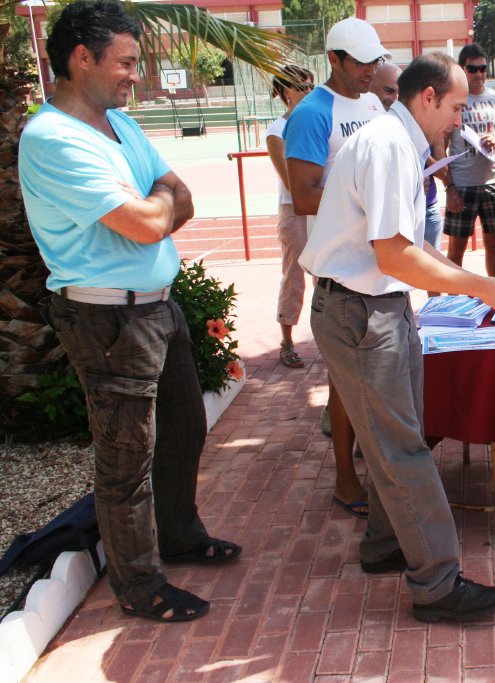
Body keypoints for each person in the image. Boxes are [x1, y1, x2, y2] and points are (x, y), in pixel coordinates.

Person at [19, 0, 240, 623]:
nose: (135, 75)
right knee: (126, 460)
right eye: (126, 62)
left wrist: (156, 205)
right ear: (80, 57)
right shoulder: (53, 137)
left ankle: (179, 534)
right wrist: (156, 204)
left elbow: (180, 199)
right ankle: (141, 587)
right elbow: (148, 222)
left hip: (156, 310)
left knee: (185, 428)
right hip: (107, 322)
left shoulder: (121, 126)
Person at [298, 53, 495, 621]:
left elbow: (410, 246)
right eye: (455, 108)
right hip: (360, 312)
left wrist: (475, 283)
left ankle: (385, 545)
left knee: (402, 436)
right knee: (402, 446)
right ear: (427, 97)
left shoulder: (399, 144)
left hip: (378, 307)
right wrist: (479, 285)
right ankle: (437, 584)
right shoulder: (386, 145)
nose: (460, 120)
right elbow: (394, 254)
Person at [285, 17, 388, 518]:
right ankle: (346, 480)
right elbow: (304, 196)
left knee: (366, 379)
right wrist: (366, 199)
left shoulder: (372, 104)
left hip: (378, 262)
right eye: (361, 62)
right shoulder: (310, 113)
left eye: (374, 61)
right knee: (346, 384)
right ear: (334, 59)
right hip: (341, 270)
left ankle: (366, 460)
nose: (371, 70)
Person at [440, 44, 495, 278]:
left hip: (493, 183)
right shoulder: (455, 100)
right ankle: (454, 304)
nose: (479, 74)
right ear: (462, 69)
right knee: (456, 249)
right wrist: (449, 187)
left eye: (483, 68)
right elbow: (440, 144)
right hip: (462, 185)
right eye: (472, 69)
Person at [266, 65, 315, 369]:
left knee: (330, 276)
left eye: (311, 86)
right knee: (295, 277)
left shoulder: (319, 122)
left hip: (321, 209)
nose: (308, 92)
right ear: (286, 92)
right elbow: (290, 182)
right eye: (301, 86)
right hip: (295, 211)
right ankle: (287, 341)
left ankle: (331, 338)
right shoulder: (277, 130)